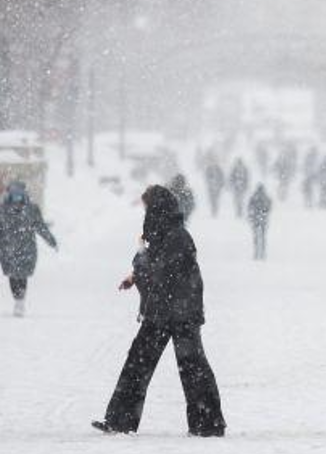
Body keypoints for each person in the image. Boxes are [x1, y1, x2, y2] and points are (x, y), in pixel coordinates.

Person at [92, 185, 226, 437]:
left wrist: (140, 256)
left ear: (155, 208)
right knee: (139, 363)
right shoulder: (163, 233)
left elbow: (160, 270)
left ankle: (208, 425)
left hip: (181, 312)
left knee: (191, 366)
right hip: (164, 310)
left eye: (146, 207)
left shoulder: (177, 236)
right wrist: (135, 274)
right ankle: (120, 421)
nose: (144, 213)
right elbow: (154, 266)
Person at [0, 181, 58, 317]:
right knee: (13, 276)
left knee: (22, 275)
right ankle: (18, 300)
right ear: (9, 194)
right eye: (14, 194)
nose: (16, 197)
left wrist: (51, 241)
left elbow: (41, 227)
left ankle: (19, 302)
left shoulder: (31, 209)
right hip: (8, 250)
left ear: (24, 194)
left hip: (26, 249)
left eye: (19, 194)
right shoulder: (2, 210)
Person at [247, 184, 272, 261]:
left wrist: (252, 216)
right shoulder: (266, 197)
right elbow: (269, 207)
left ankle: (257, 251)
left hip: (256, 219)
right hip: (263, 219)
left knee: (256, 236)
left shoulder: (254, 197)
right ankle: (262, 252)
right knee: (263, 236)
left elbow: (249, 207)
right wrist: (264, 213)